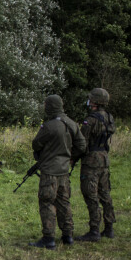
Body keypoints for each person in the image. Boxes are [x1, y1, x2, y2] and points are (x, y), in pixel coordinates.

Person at [29, 95, 86, 250]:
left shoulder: (49, 126)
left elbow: (36, 144)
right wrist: (71, 158)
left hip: (49, 171)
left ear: (50, 107)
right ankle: (68, 235)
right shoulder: (72, 124)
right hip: (64, 171)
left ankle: (48, 238)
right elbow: (82, 146)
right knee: (64, 202)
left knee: (47, 202)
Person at [74, 88, 116, 241]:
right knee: (105, 193)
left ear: (95, 102)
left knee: (91, 194)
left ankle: (94, 230)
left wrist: (73, 158)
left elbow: (81, 143)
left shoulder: (90, 120)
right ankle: (109, 227)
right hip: (104, 158)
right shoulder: (109, 118)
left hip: (91, 160)